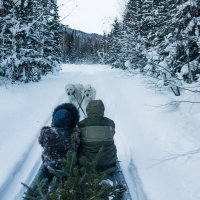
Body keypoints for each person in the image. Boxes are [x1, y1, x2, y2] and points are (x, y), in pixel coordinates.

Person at [38, 103, 80, 180]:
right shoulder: (73, 135)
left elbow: (42, 143)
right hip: (67, 172)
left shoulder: (46, 132)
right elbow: (76, 147)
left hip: (49, 170)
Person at [78, 99, 117, 173]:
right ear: (103, 110)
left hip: (88, 166)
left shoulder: (81, 124)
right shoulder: (111, 123)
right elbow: (112, 134)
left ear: (87, 110)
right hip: (110, 164)